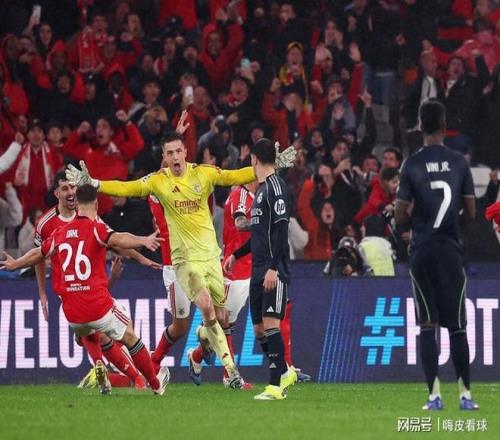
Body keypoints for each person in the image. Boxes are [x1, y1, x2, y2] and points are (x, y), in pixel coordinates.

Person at [65, 130, 295, 389]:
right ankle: (231, 372)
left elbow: (234, 175)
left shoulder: (203, 174)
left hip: (211, 257)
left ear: (185, 152)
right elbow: (127, 187)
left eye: (178, 151)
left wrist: (271, 166)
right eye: (169, 153)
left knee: (221, 318)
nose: (175, 157)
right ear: (164, 156)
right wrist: (95, 183)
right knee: (206, 307)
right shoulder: (157, 181)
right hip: (184, 262)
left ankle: (201, 342)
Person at [1, 185, 169, 396]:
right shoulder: (96, 228)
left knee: (88, 331)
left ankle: (99, 362)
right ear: (96, 205)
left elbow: (38, 253)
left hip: (72, 314)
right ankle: (155, 384)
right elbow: (119, 239)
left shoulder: (59, 233)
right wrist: (143, 240)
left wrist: (16, 264)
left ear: (77, 206)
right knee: (129, 335)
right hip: (96, 306)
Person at [34, 171, 159, 390]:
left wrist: (141, 258)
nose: (71, 192)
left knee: (91, 333)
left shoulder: (87, 215)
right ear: (56, 193)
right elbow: (38, 257)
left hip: (86, 287)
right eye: (65, 188)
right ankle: (137, 378)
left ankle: (105, 367)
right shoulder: (45, 224)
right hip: (67, 287)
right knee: (105, 331)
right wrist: (42, 293)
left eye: (73, 187)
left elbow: (115, 240)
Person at [395, 99, 478, 411]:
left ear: (420, 126)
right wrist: (451, 222)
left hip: (422, 251)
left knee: (427, 324)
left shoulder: (411, 164)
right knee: (457, 325)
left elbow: (400, 215)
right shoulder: (459, 163)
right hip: (450, 251)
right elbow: (471, 213)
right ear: (444, 126)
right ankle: (465, 396)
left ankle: (434, 396)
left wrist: (416, 219)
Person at [224, 138, 297, 400]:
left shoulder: (276, 187)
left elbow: (281, 230)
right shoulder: (263, 190)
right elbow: (258, 233)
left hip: (272, 270)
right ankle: (285, 371)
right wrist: (236, 254)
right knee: (258, 330)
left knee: (271, 325)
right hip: (257, 268)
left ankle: (275, 386)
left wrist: (274, 268)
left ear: (254, 159)